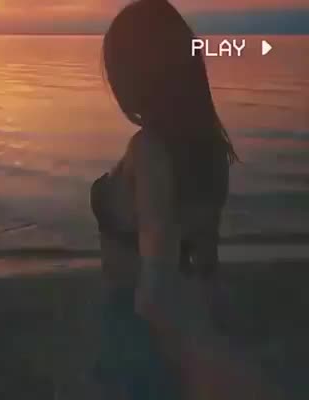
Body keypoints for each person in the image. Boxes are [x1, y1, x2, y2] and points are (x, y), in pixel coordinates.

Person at [90, 1, 277, 399]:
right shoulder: (211, 151)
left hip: (137, 330)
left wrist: (202, 360)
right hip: (172, 319)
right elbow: (206, 265)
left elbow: (154, 294)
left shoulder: (149, 152)